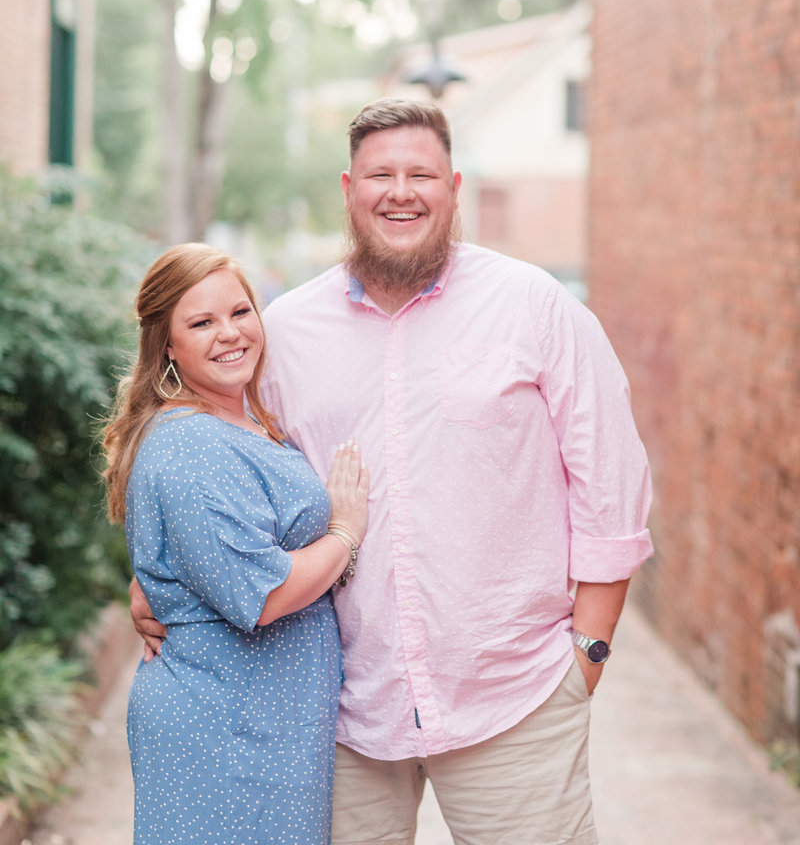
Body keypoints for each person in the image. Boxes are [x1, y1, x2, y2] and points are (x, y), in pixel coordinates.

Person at [133, 100, 653, 845]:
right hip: (344, 712)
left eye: (422, 173)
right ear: (348, 189)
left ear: (454, 187)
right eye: (381, 174)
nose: (400, 191)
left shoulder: (535, 307)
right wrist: (161, 578)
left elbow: (611, 486)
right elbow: (225, 469)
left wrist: (588, 654)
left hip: (514, 699)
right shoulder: (285, 333)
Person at [105, 243, 369, 845]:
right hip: (225, 729)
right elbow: (263, 594)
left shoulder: (240, 416)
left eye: (240, 312)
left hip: (263, 725)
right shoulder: (189, 445)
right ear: (166, 346)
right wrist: (347, 531)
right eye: (201, 323)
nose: (230, 334)